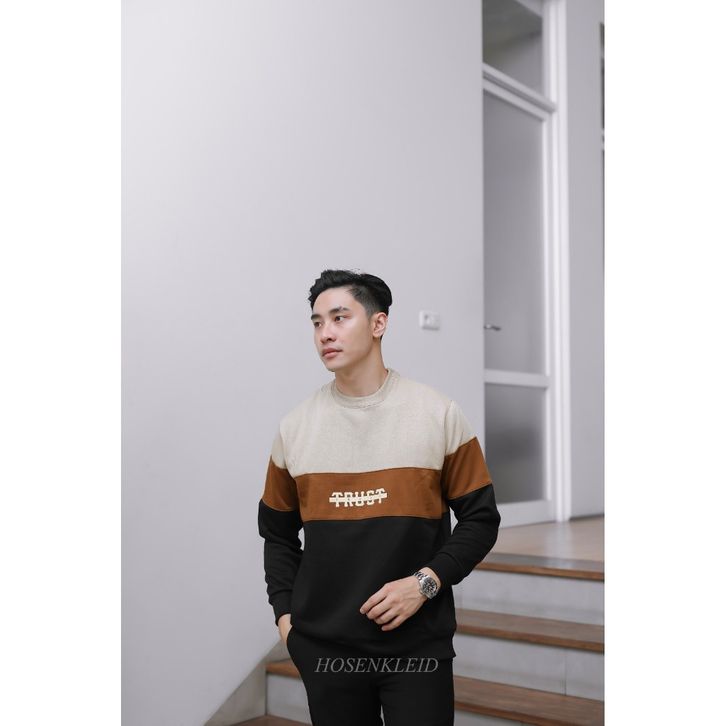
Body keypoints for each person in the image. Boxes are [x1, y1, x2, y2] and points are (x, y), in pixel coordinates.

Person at [257, 268, 501, 726]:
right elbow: (277, 536)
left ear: (378, 323)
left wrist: (424, 583)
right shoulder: (295, 428)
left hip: (416, 648)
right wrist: (287, 622)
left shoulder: (437, 414)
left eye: (339, 317)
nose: (325, 333)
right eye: (317, 323)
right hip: (325, 650)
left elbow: (481, 520)